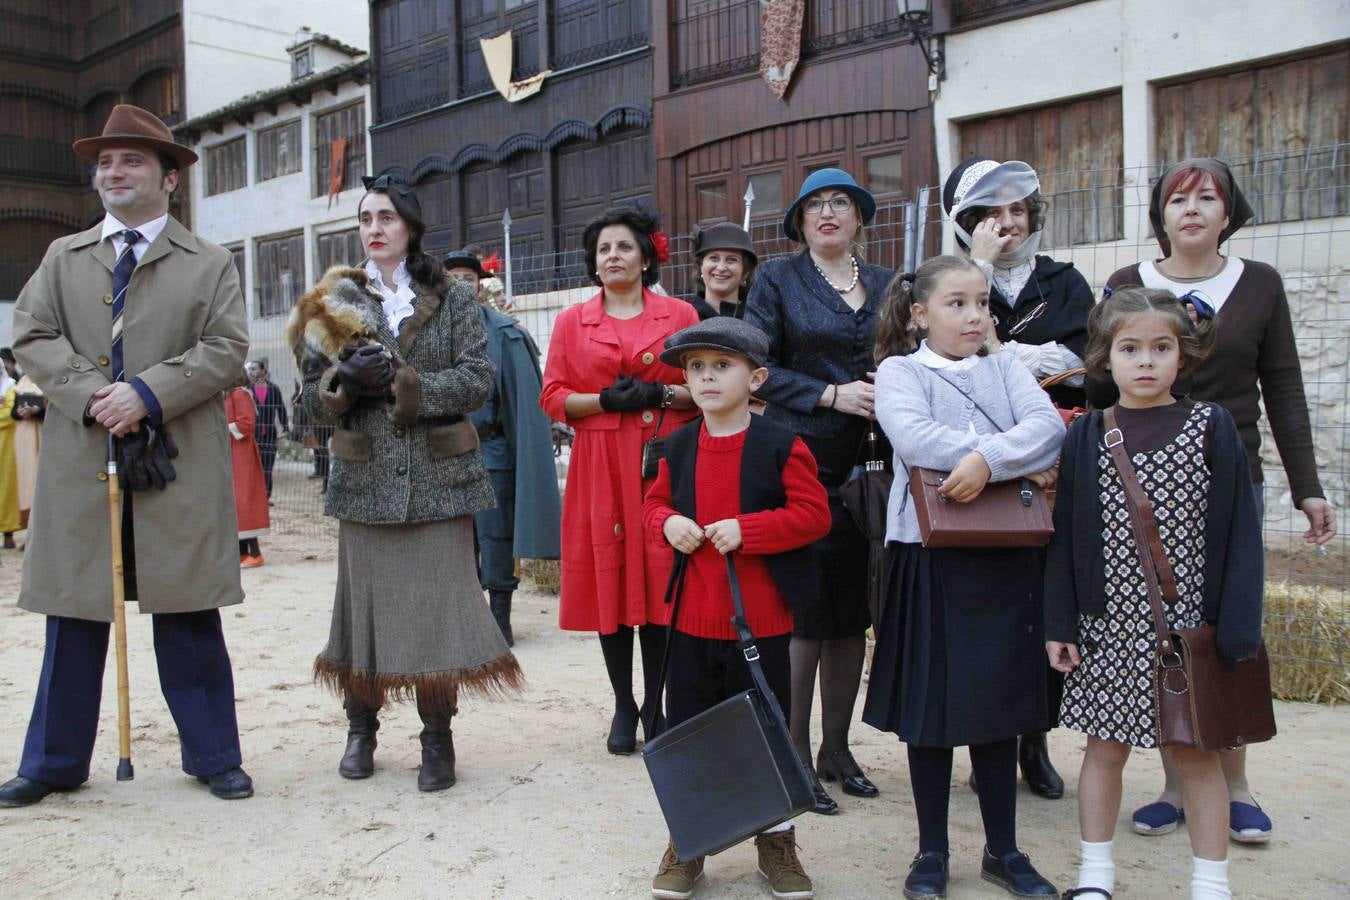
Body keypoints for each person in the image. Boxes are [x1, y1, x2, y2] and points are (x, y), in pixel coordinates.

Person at [1, 103, 254, 807]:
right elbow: (35, 336)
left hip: (175, 460)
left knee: (187, 610)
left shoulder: (209, 263)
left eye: (132, 160)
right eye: (105, 162)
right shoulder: (63, 258)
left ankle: (213, 754)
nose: (113, 172)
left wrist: (146, 392)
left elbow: (228, 348)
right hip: (84, 458)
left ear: (169, 178)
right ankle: (53, 762)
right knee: (76, 611)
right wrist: (94, 395)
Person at [1097, 158, 1337, 843]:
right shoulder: (1125, 286)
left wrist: (1308, 487)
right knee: (1159, 633)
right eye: (1179, 199)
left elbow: (1283, 389)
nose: (1193, 209)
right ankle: (1176, 786)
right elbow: (1099, 380)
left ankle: (1236, 786)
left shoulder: (1259, 286)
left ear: (1229, 213)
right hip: (1139, 486)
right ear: (1160, 216)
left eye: (1208, 198)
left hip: (1230, 483)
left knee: (1228, 628)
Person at [297, 174, 522, 791]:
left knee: (437, 613)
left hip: (440, 480)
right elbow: (307, 405)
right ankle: (361, 727)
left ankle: (436, 737)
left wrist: (404, 385)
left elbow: (477, 379)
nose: (375, 229)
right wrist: (342, 378)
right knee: (362, 612)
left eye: (387, 218)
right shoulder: (330, 301)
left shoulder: (453, 298)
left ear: (411, 228)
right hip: (364, 477)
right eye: (367, 218)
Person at [1047, 287, 1263, 900]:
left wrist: (1238, 629)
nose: (1145, 361)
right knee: (1103, 751)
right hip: (1108, 627)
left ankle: (1211, 881)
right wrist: (1060, 623)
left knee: (1197, 756)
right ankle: (1094, 875)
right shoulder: (1088, 434)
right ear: (1106, 358)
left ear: (1183, 355)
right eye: (1130, 348)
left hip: (1189, 630)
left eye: (1160, 347)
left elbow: (1240, 533)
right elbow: (1067, 540)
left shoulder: (1212, 425)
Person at [864, 255, 1063, 899]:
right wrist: (1008, 461)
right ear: (920, 314)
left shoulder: (1006, 366)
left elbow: (1047, 431)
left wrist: (987, 460)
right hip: (928, 554)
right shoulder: (900, 371)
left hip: (1006, 556)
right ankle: (931, 851)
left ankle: (1003, 851)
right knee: (933, 708)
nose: (975, 315)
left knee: (997, 707)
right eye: (956, 303)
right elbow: (914, 439)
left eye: (981, 302)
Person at [643, 316, 831, 900]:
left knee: (766, 734)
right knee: (689, 732)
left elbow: (813, 515)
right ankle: (689, 841)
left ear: (758, 378)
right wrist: (668, 522)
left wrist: (748, 530)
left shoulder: (782, 444)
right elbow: (651, 507)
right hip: (690, 623)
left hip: (761, 622)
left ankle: (776, 842)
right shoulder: (673, 446)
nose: (706, 377)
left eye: (721, 366)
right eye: (696, 368)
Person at [743, 168, 894, 813]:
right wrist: (829, 393)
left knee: (850, 621)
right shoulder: (777, 280)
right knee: (804, 619)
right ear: (800, 222)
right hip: (802, 465)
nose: (828, 214)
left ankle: (837, 748)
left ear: (860, 217)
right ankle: (794, 755)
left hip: (872, 470)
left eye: (842, 204)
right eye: (815, 206)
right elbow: (755, 362)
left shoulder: (891, 284)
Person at [943, 156, 1094, 798]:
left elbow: (1083, 367)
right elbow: (946, 356)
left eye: (1018, 210)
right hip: (973, 462)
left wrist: (1001, 355)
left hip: (1051, 461)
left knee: (1045, 602)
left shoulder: (1062, 282)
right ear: (966, 222)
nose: (1009, 223)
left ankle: (1035, 739)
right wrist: (973, 272)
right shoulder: (943, 282)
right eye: (991, 213)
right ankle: (988, 744)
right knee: (987, 606)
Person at [540, 206, 700, 754]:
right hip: (600, 461)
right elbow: (553, 397)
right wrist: (603, 400)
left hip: (662, 457)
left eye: (624, 247)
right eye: (604, 249)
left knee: (657, 578)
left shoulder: (680, 314)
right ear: (593, 261)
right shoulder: (570, 322)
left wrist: (662, 394)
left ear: (646, 255)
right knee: (611, 578)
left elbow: (704, 384)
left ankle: (655, 702)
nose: (613, 256)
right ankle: (622, 704)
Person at [445, 248, 562, 646]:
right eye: (452, 277)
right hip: (443, 454)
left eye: (468, 277)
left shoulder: (503, 333)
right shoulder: (426, 332)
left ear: (479, 284)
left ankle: (499, 618)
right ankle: (461, 616)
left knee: (494, 538)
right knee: (453, 540)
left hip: (491, 453)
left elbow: (523, 409)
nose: (460, 284)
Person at [225, 383, 269, 567]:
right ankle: (242, 552)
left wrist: (221, 426)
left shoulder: (239, 394)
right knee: (235, 502)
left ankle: (255, 553)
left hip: (241, 454)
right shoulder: (228, 393)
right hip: (232, 453)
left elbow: (246, 424)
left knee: (245, 500)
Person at [684, 222, 759, 320]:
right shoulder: (684, 316)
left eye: (731, 260)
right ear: (700, 267)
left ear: (745, 273)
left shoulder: (759, 317)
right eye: (714, 258)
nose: (721, 268)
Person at [9, 355, 46, 541]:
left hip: (42, 434)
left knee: (40, 480)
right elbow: (13, 412)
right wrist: (21, 412)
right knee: (25, 480)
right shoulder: (22, 382)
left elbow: (52, 410)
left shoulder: (46, 379)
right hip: (24, 437)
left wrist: (37, 411)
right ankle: (26, 531)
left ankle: (39, 534)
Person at [246, 358, 289, 497]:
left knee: (268, 468)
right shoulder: (248, 390)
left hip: (270, 435)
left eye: (254, 368)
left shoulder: (274, 389)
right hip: (253, 435)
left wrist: (286, 428)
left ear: (263, 370)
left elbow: (281, 409)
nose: (251, 371)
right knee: (253, 468)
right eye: (250, 369)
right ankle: (255, 496)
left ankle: (266, 495)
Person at [0, 357, 21, 548]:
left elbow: (8, 416)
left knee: (6, 490)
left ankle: (8, 533)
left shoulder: (11, 388)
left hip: (6, 448)